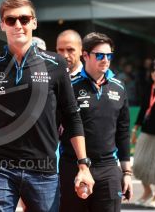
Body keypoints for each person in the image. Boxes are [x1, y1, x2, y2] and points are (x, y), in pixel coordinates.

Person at [0, 0, 94, 212]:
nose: (18, 25)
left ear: (34, 23)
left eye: (24, 19)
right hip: (1, 168)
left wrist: (83, 165)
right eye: (11, 20)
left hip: (43, 169)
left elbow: (72, 116)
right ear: (2, 25)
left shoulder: (55, 64)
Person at [59, 32, 133, 212]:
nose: (105, 60)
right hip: (73, 167)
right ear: (85, 56)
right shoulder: (70, 86)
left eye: (109, 56)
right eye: (99, 55)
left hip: (108, 169)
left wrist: (127, 173)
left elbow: (123, 133)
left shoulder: (119, 87)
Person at [132, 58, 155, 208]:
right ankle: (147, 191)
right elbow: (143, 109)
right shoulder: (148, 87)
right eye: (153, 70)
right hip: (146, 131)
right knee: (139, 164)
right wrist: (135, 128)